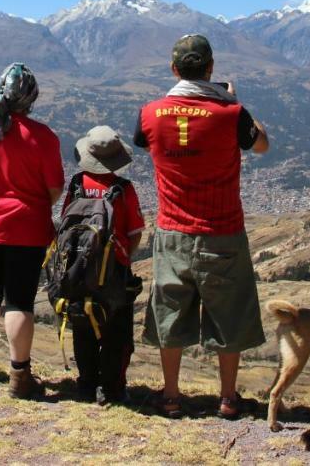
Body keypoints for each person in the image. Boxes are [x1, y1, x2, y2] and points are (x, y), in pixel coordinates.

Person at [134, 34, 270, 419]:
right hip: (222, 230)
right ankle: (228, 398)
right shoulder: (231, 113)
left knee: (170, 312)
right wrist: (231, 100)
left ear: (174, 69)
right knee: (228, 312)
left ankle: (172, 396)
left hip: (173, 230)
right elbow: (261, 145)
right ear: (210, 68)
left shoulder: (149, 113)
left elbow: (144, 141)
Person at [0, 62, 64, 398]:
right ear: (30, 99)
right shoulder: (42, 137)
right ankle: (20, 376)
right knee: (19, 301)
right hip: (26, 228)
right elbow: (53, 189)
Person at [63, 125, 146, 406]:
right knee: (116, 334)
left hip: (78, 272)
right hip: (113, 275)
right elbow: (135, 233)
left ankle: (86, 384)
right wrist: (122, 259)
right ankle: (112, 389)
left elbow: (65, 224)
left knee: (83, 328)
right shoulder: (122, 189)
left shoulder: (75, 185)